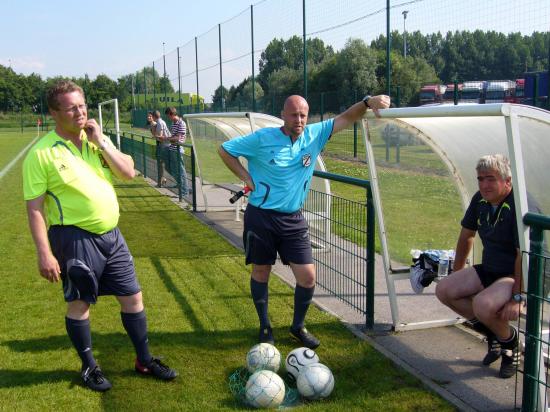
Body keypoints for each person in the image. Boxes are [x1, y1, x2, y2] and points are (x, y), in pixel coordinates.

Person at [22, 80, 177, 392]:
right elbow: (35, 209)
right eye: (71, 108)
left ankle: (144, 359)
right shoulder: (41, 155)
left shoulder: (96, 141)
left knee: (133, 297)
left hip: (113, 236)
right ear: (54, 113)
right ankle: (89, 368)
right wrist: (44, 252)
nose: (80, 113)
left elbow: (128, 172)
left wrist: (103, 142)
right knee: (80, 304)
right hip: (75, 238)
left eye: (82, 106)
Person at [218, 93, 390, 349]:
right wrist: (246, 178)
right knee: (261, 271)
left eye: (302, 115)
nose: (298, 119)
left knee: (308, 277)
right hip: (260, 217)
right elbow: (225, 150)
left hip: (293, 219)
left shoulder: (315, 134)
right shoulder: (262, 139)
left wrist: (367, 103)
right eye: (293, 114)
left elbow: (346, 117)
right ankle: (265, 325)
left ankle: (297, 326)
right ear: (283, 115)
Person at [435, 154, 523, 379]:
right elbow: (467, 235)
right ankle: (495, 334)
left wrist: (517, 298)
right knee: (444, 289)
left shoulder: (519, 204)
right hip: (492, 268)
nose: (484, 185)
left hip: (519, 273)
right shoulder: (480, 200)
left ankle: (511, 346)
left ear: (508, 181)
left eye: (491, 179)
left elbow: (523, 256)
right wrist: (457, 272)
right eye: (480, 179)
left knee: (482, 305)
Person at [165, 107, 189, 196]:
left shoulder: (181, 123)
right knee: (170, 168)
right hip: (172, 149)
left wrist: (167, 138)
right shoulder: (173, 123)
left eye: (168, 116)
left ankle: (184, 191)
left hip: (178, 150)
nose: (168, 118)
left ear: (172, 114)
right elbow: (173, 137)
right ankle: (181, 184)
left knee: (181, 171)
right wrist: (169, 138)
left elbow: (177, 138)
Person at [152, 110, 171, 188]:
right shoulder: (161, 121)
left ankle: (160, 183)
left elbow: (160, 136)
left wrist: (155, 136)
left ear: (154, 117)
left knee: (161, 165)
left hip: (164, 145)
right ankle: (162, 181)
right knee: (162, 165)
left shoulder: (159, 123)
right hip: (164, 145)